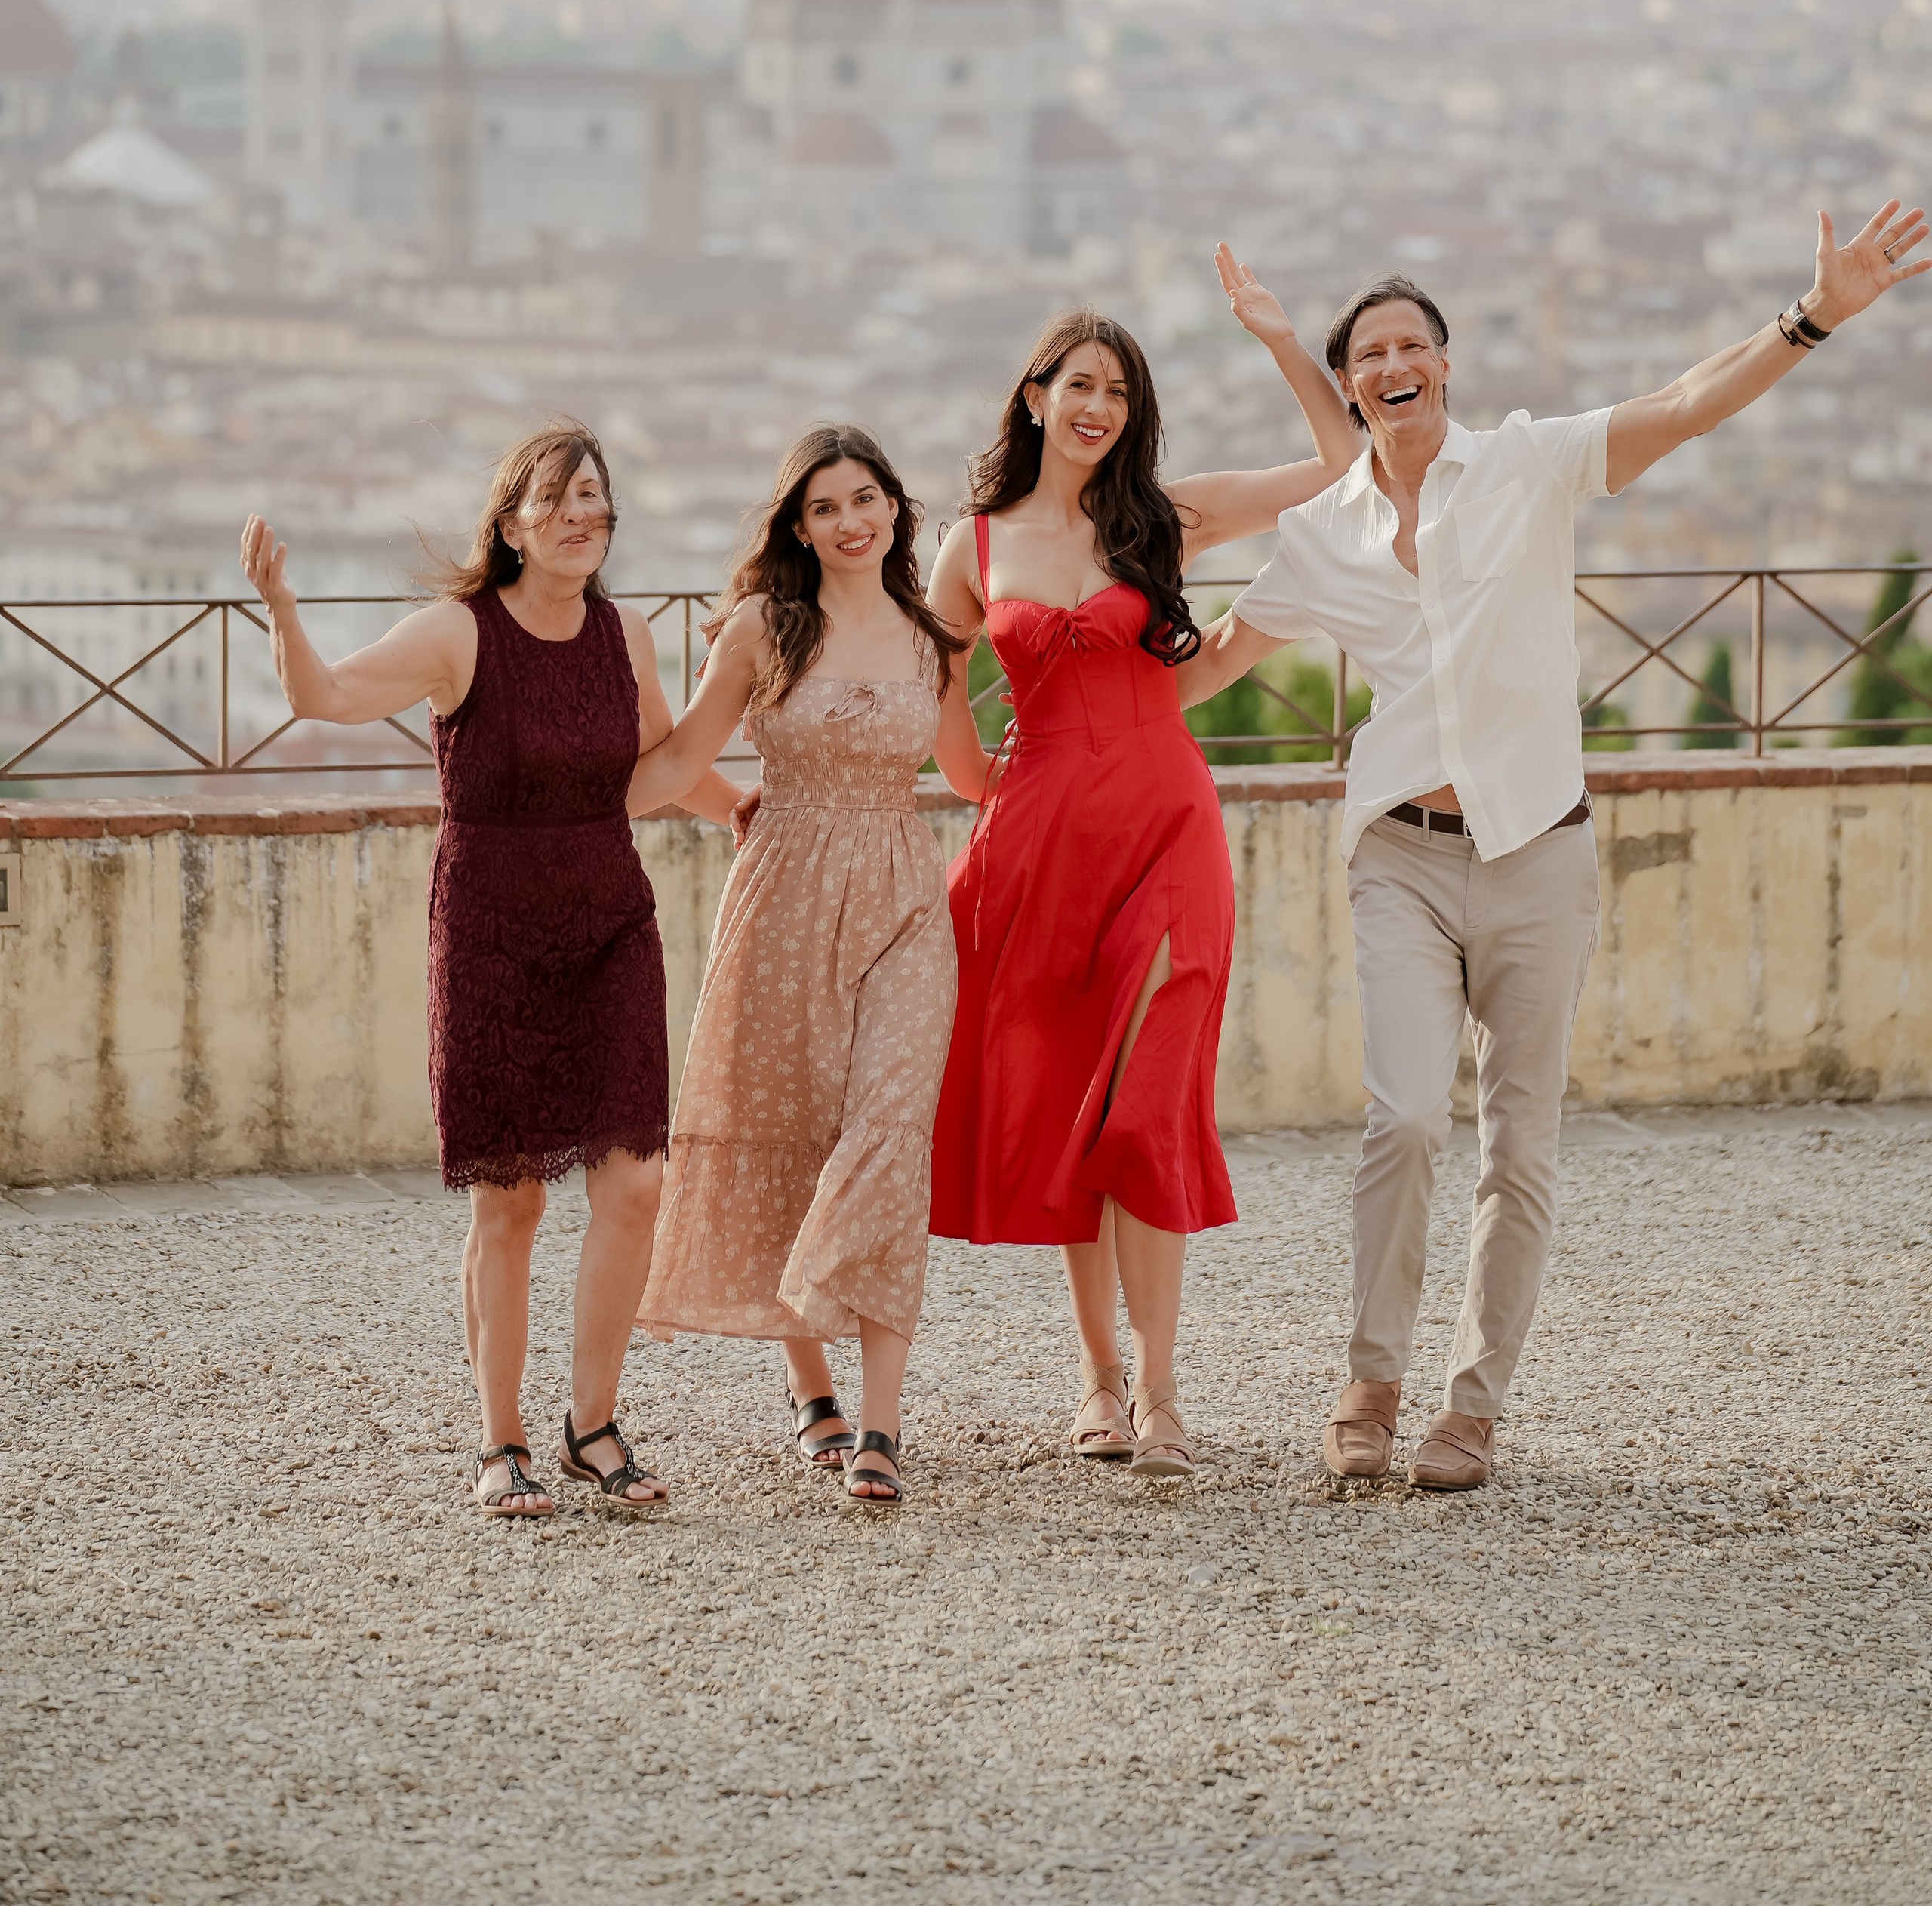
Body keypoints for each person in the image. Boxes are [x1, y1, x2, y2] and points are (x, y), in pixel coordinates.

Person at [1177, 199, 1930, 1492]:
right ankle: (1370, 1376)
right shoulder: (1320, 537)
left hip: (1539, 849)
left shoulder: (1527, 464)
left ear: (1445, 367)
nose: (1392, 366)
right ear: (1349, 389)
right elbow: (1207, 671)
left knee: (1520, 1145)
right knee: (1405, 1116)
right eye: (1366, 356)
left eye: (1411, 345)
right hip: (1401, 857)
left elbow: (1688, 402)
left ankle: (1471, 1408)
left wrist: (1812, 318)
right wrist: (1061, 633)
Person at [239, 420, 740, 1518]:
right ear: (511, 521)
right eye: (556, 498)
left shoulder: (630, 636)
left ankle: (592, 1426)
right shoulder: (455, 635)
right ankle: (500, 1440)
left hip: (611, 924)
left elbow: (653, 770)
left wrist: (739, 798)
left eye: (595, 497)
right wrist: (281, 612)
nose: (579, 515)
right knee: (509, 1204)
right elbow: (320, 698)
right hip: (493, 938)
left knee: (638, 1183)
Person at [925, 248, 1360, 1478]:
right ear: (1034, 396)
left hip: (1165, 821)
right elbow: (933, 681)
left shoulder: (1161, 517)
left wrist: (1280, 339)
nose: (1097, 405)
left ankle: (1166, 1392)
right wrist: (978, 787)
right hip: (1040, 840)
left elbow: (1340, 468)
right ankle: (1101, 1383)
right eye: (1078, 382)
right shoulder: (973, 542)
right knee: (1078, 1105)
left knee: (1147, 1099)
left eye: (1117, 389)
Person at [630, 427, 986, 1504]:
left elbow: (971, 771)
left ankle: (879, 1428)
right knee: (795, 1132)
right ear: (799, 524)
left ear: (895, 509)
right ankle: (812, 1389)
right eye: (826, 506)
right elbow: (681, 762)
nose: (850, 520)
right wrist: (544, 767)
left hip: (904, 897)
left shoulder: (934, 638)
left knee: (887, 1131)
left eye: (866, 498)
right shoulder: (761, 628)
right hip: (782, 897)